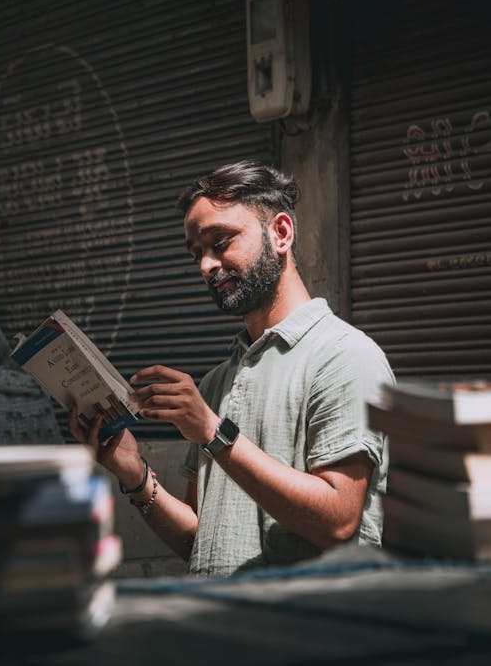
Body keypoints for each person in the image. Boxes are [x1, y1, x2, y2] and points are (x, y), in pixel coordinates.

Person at [69, 160, 395, 577]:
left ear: (280, 233)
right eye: (197, 253)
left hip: (308, 634)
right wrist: (134, 474)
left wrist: (212, 431)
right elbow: (202, 541)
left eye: (220, 241)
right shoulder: (216, 382)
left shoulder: (345, 356)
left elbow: (338, 521)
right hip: (219, 630)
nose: (205, 265)